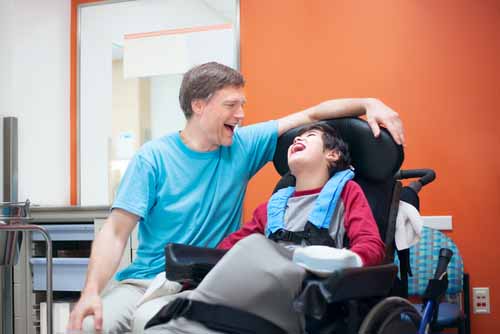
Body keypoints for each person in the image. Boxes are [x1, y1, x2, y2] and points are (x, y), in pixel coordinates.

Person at [67, 62, 404, 332]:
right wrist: (91, 292)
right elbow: (114, 232)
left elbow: (315, 114)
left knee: (151, 324)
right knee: (87, 325)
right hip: (147, 280)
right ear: (199, 106)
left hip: (207, 279)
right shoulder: (152, 158)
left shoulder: (244, 145)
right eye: (231, 105)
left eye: (242, 104)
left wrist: (368, 103)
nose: (241, 115)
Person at [144, 122, 384, 334]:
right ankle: (185, 312)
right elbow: (231, 248)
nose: (298, 139)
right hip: (257, 293)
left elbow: (371, 247)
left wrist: (337, 261)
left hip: (304, 297)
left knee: (255, 246)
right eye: (296, 138)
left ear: (332, 154)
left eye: (310, 136)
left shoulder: (347, 193)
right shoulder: (273, 207)